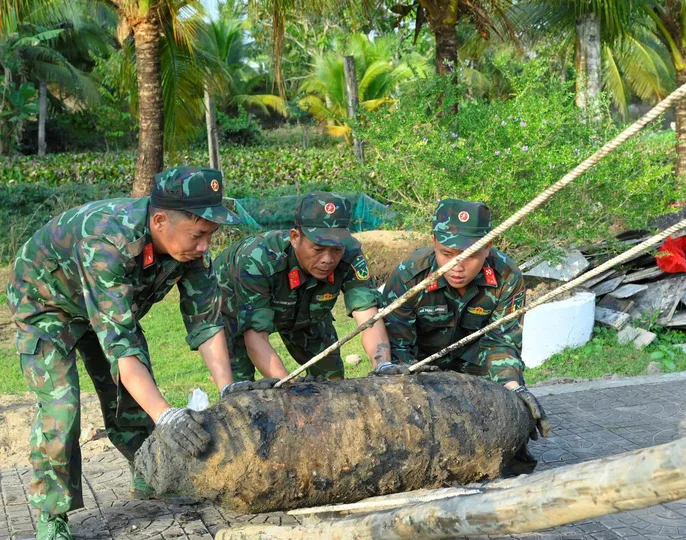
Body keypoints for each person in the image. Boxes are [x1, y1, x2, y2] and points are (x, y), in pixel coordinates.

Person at [6, 166, 242, 540]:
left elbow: (206, 322)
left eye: (211, 235)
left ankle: (148, 472)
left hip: (106, 307)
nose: (205, 246)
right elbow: (122, 347)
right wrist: (167, 416)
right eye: (199, 235)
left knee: (129, 396)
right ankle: (52, 513)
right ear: (160, 221)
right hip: (46, 304)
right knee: (61, 408)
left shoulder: (189, 248)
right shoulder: (107, 241)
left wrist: (228, 390)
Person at [214, 192, 422, 391]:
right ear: (295, 237)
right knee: (242, 389)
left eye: (336, 249)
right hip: (235, 310)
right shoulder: (258, 258)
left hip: (307, 312)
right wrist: (289, 390)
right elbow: (255, 336)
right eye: (318, 249)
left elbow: (368, 316)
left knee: (332, 382)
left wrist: (383, 365)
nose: (328, 259)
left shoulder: (350, 253)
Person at [382, 198, 550, 440]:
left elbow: (501, 343)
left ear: (487, 246)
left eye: (469, 256)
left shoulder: (506, 276)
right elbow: (400, 348)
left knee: (510, 430)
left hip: (477, 363)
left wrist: (513, 389)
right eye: (446, 254)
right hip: (422, 366)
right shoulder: (409, 276)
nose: (457, 267)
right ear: (434, 241)